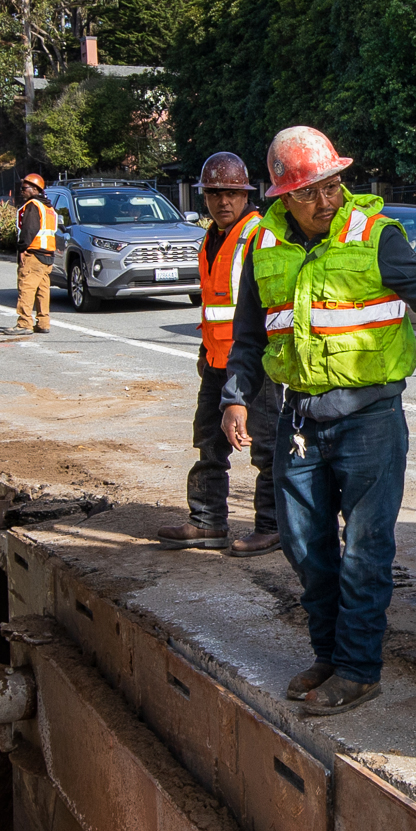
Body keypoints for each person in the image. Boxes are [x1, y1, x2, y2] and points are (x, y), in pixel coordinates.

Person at [215, 127, 416, 714]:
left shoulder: (377, 236)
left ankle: (359, 669)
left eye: (334, 185)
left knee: (365, 549)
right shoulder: (263, 246)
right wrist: (234, 397)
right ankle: (329, 655)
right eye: (312, 191)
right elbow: (248, 335)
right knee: (303, 546)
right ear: (284, 197)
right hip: (299, 418)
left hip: (370, 417)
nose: (328, 199)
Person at [157, 150, 282, 555]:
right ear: (204, 197)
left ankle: (272, 525)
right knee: (209, 443)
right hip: (215, 361)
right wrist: (206, 351)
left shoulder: (260, 236)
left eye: (231, 193)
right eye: (214, 194)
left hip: (253, 365)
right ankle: (207, 521)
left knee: (266, 447)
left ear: (246, 195)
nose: (223, 201)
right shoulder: (211, 237)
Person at [12, 168, 61, 335]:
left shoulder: (33, 206)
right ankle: (43, 322)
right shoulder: (48, 208)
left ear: (35, 189)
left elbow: (29, 230)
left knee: (26, 288)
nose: (22, 191)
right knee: (42, 290)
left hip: (33, 254)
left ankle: (24, 323)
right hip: (47, 255)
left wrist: (22, 249)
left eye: (25, 188)